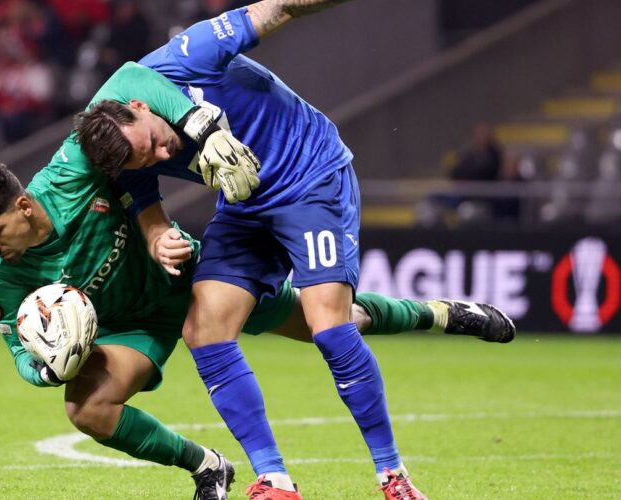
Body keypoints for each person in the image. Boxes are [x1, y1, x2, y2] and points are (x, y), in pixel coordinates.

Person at [72, 1, 511, 498]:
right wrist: (156, 236)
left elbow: (279, 7)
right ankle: (275, 479)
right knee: (203, 328)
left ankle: (393, 476)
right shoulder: (127, 147)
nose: (161, 155)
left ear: (143, 106)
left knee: (328, 325)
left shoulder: (187, 56)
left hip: (311, 177)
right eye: (145, 158)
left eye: (152, 142)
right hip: (245, 205)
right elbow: (146, 198)